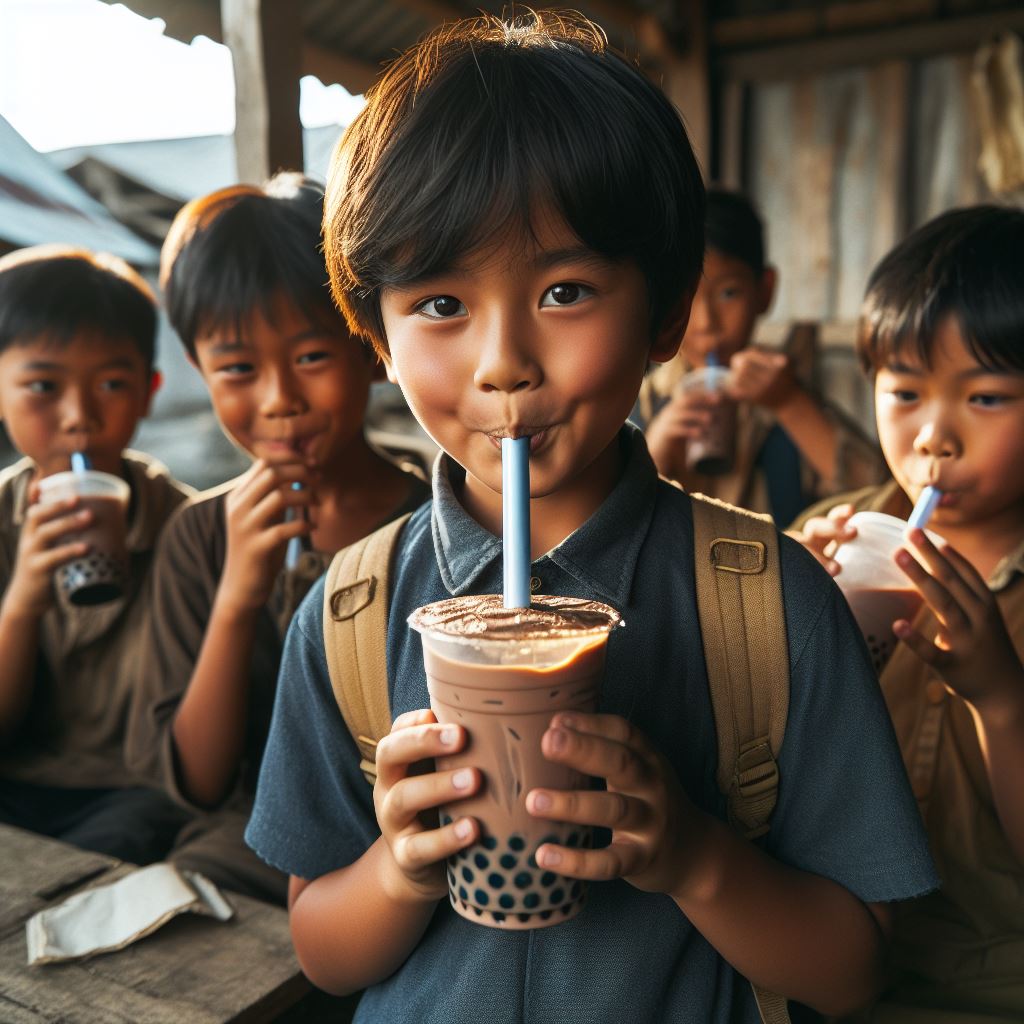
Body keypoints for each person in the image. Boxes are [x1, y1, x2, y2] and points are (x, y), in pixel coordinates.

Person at [244, 13, 937, 1021]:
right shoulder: (351, 613)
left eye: (565, 289)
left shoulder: (766, 605)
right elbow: (322, 951)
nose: (503, 362)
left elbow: (852, 969)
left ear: (665, 314)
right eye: (440, 304)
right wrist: (397, 866)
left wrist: (694, 854)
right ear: (375, 337)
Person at [124, 175, 430, 904]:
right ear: (199, 370)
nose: (278, 399)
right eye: (237, 369)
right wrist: (237, 598)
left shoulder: (434, 522)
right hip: (240, 857)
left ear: (368, 347)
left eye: (311, 356)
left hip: (401, 854)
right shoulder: (198, 536)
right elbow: (197, 782)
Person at [791, 205, 1024, 1022]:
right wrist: (790, 614)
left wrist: (1001, 697)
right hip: (810, 968)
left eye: (987, 397)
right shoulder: (819, 542)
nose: (934, 437)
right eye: (903, 392)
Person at [0, 245, 194, 862]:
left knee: (121, 843)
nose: (79, 417)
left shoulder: (187, 530)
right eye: (42, 386)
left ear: (148, 392)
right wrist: (25, 599)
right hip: (15, 778)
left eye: (111, 383)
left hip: (131, 792)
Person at [638, 188, 885, 526]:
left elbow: (880, 500)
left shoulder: (780, 395)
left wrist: (789, 403)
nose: (707, 321)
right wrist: (655, 450)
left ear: (764, 291)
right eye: (687, 296)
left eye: (728, 293)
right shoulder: (641, 406)